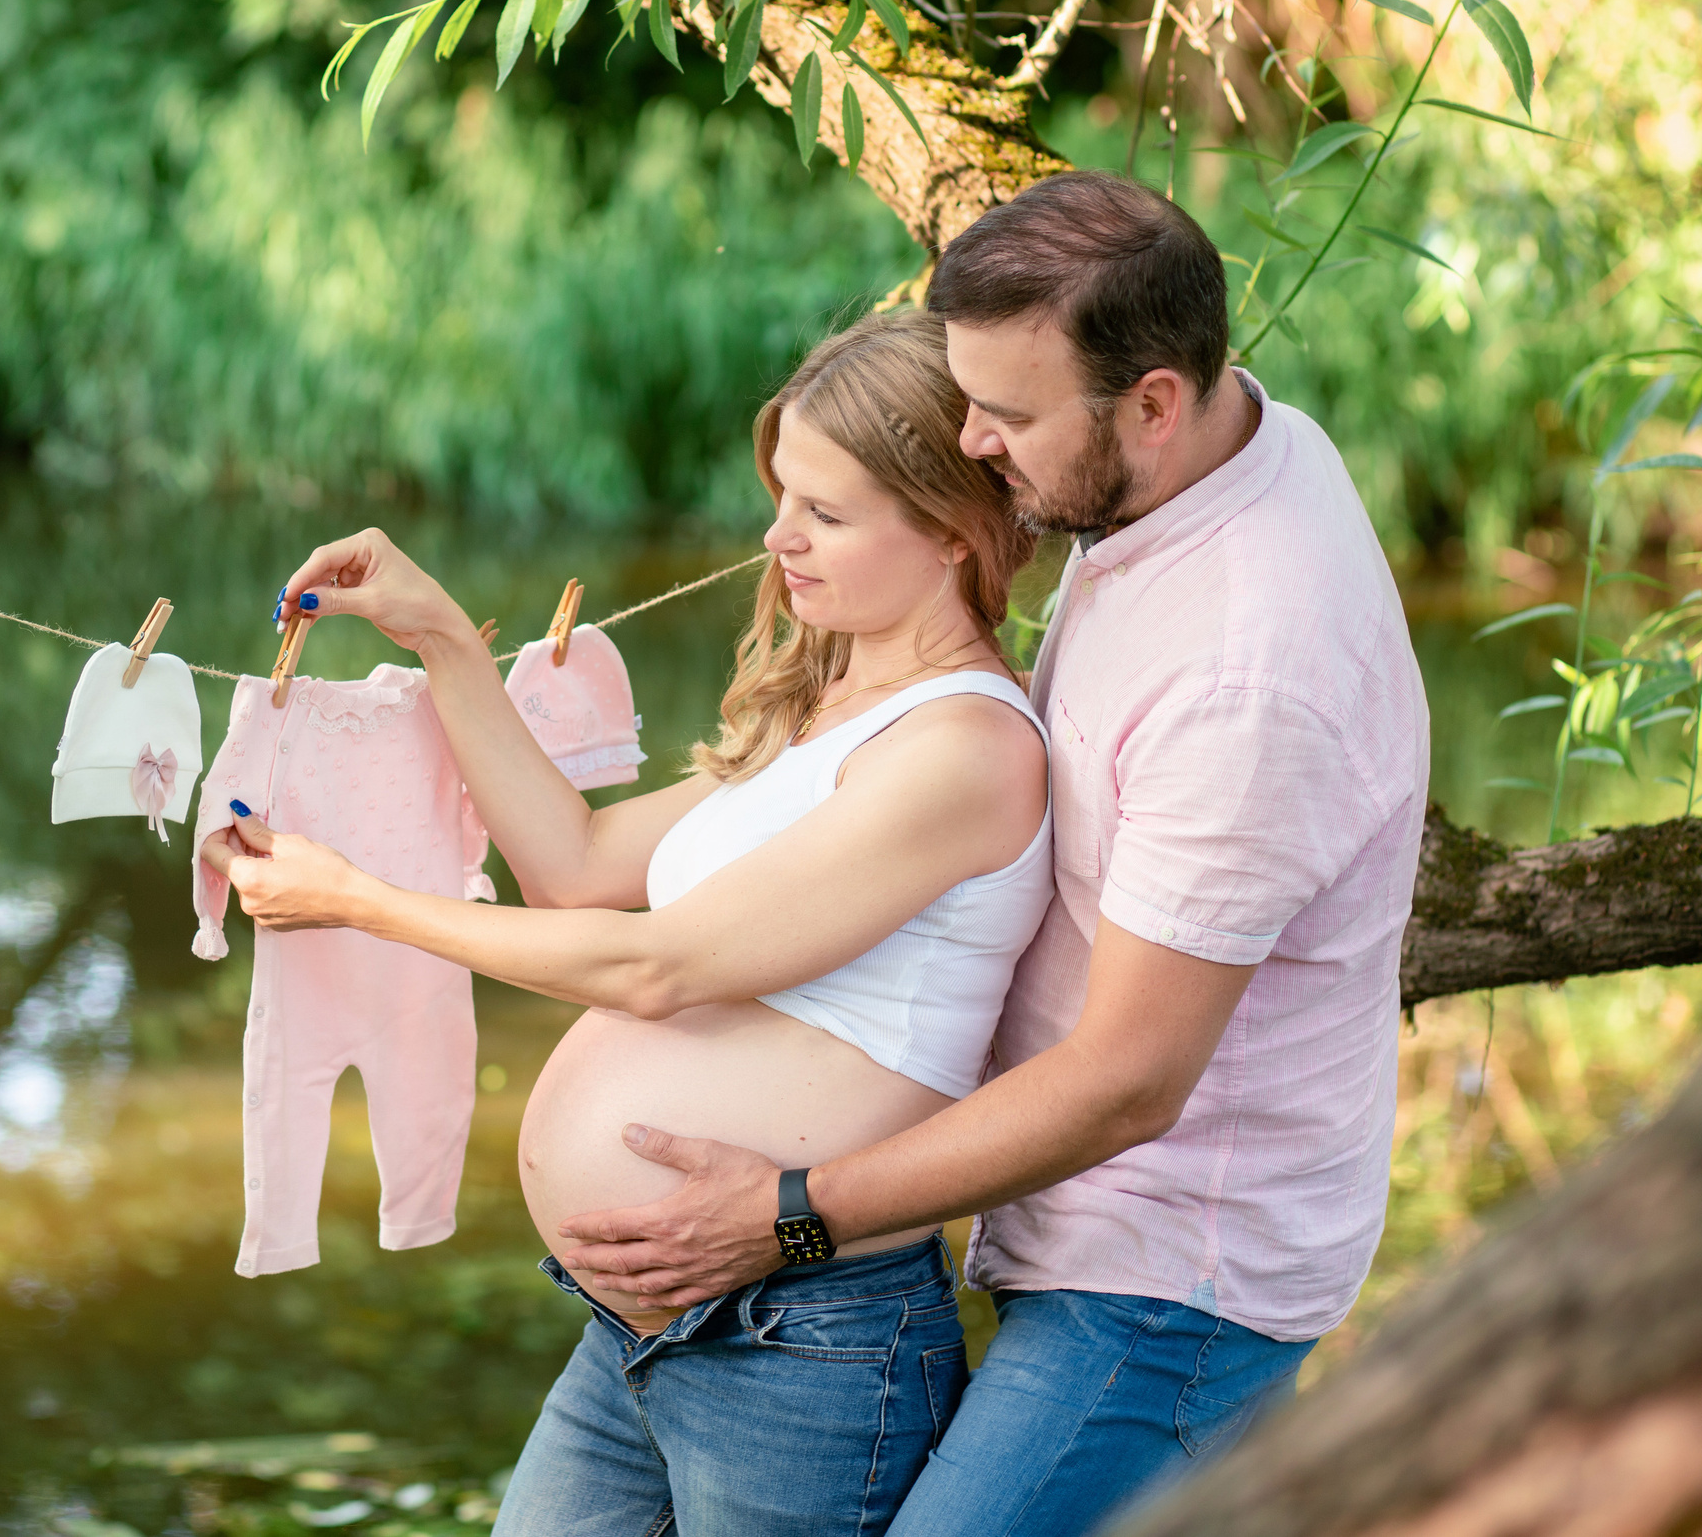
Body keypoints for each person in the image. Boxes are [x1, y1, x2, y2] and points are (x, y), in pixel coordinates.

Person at [546, 172, 1433, 1536]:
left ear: (1153, 402)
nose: (973, 441)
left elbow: (1129, 1083)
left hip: (1167, 1279)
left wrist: (790, 1213)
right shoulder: (1207, 457)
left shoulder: (1251, 671)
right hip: (1050, 1217)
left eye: (1007, 418)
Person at [200, 312, 1052, 1536]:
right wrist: (439, 631)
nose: (776, 536)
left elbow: (655, 966)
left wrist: (359, 902)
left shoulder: (962, 748)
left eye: (824, 511)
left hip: (796, 1338)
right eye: (780, 497)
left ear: (947, 528)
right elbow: (577, 863)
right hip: (650, 1321)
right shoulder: (841, 705)